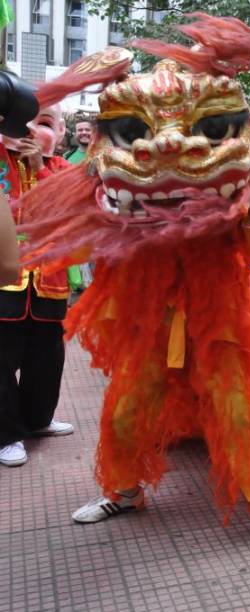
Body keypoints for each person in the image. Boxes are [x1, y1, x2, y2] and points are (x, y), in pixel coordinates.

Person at [16, 18, 250, 553]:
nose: (168, 146)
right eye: (136, 133)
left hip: (221, 309)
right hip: (151, 311)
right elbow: (92, 235)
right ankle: (125, 490)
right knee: (129, 404)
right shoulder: (109, 185)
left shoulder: (243, 178)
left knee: (235, 403)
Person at [0, 102, 74, 468]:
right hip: (5, 282)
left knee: (46, 363)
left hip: (50, 284)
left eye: (44, 123)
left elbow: (69, 213)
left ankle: (36, 421)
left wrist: (40, 169)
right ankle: (7, 435)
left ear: (61, 134)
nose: (29, 129)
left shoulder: (62, 171)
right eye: (20, 120)